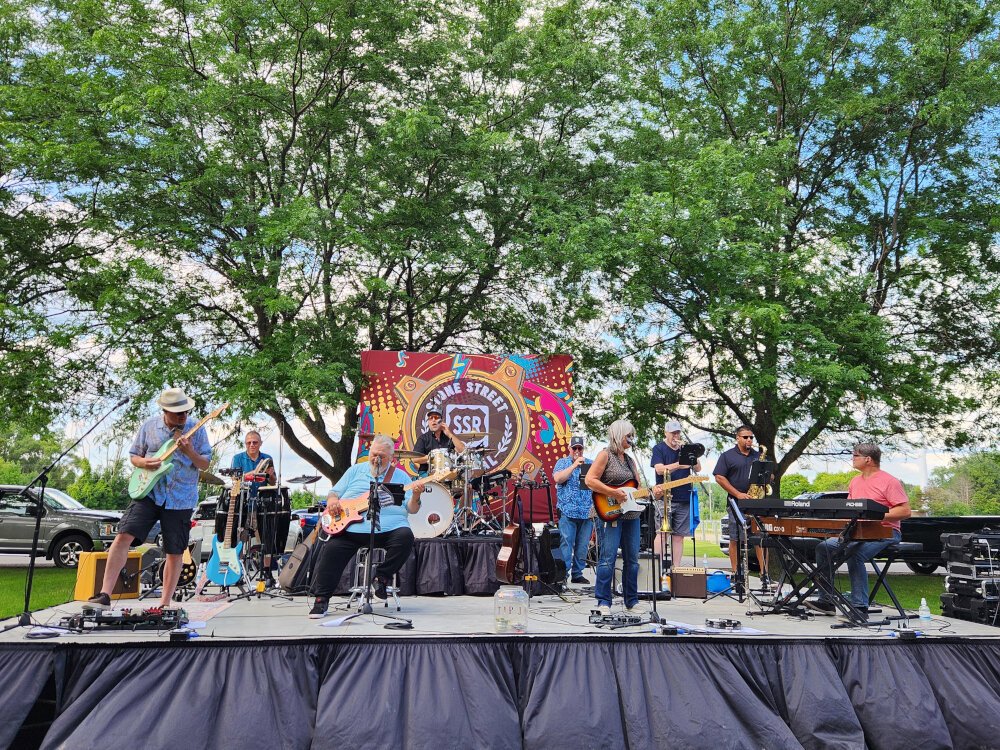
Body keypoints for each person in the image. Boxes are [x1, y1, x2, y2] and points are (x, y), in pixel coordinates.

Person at [88, 387, 212, 608]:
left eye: (186, 412)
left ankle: (164, 604)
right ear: (165, 410)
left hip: (180, 497)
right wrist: (145, 463)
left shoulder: (197, 430)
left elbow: (204, 463)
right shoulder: (149, 426)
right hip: (149, 492)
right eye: (178, 413)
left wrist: (189, 452)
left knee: (175, 550)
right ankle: (104, 594)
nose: (183, 416)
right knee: (123, 536)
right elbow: (134, 456)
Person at [308, 435, 425, 618]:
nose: (376, 459)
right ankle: (321, 600)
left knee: (406, 537)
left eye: (382, 456)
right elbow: (334, 492)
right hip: (352, 528)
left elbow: (412, 509)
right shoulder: (355, 471)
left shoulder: (402, 476)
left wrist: (416, 496)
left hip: (390, 528)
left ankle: (381, 578)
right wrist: (332, 502)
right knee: (331, 550)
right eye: (373, 454)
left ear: (391, 458)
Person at [805, 443, 911, 615]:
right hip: (858, 532)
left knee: (855, 554)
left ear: (868, 459)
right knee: (823, 548)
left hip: (886, 532)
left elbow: (905, 511)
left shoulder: (890, 481)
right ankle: (826, 601)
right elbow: (851, 508)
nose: (852, 459)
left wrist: (876, 516)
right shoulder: (855, 481)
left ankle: (859, 606)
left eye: (855, 456)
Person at [586, 420, 664, 615]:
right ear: (618, 435)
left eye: (632, 435)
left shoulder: (630, 460)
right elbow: (590, 480)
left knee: (633, 559)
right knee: (607, 558)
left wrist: (653, 492)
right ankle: (603, 601)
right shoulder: (605, 455)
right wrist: (613, 493)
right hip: (608, 513)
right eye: (628, 435)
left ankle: (632, 600)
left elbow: (635, 489)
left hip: (631, 514)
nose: (631, 438)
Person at [713, 425, 769, 576]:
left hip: (756, 503)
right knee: (735, 538)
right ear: (737, 438)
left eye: (751, 437)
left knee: (760, 539)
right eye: (745, 437)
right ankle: (736, 573)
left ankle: (765, 575)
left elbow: (770, 476)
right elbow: (719, 477)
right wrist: (738, 494)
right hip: (736, 503)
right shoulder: (727, 456)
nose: (749, 440)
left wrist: (767, 475)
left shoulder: (758, 456)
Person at [651, 420, 702, 568]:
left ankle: (676, 569)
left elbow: (698, 468)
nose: (676, 435)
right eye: (673, 433)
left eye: (678, 432)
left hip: (684, 497)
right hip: (665, 498)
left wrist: (690, 452)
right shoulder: (659, 449)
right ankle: (656, 570)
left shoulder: (683, 449)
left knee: (679, 537)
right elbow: (659, 470)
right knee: (662, 534)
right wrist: (679, 464)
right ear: (666, 433)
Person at [552, 435, 594, 585]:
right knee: (566, 544)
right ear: (569, 449)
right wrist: (574, 465)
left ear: (583, 449)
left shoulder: (590, 463)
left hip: (586, 512)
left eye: (579, 448)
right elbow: (558, 479)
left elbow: (597, 483)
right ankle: (563, 575)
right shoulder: (562, 463)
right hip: (567, 511)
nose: (577, 450)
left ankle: (578, 573)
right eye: (574, 448)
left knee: (582, 546)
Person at [413, 407, 467, 474]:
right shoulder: (423, 438)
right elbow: (414, 459)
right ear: (428, 422)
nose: (433, 420)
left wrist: (449, 434)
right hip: (427, 475)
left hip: (447, 474)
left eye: (436, 417)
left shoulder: (448, 437)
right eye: (430, 418)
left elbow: (462, 450)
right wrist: (433, 456)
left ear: (442, 421)